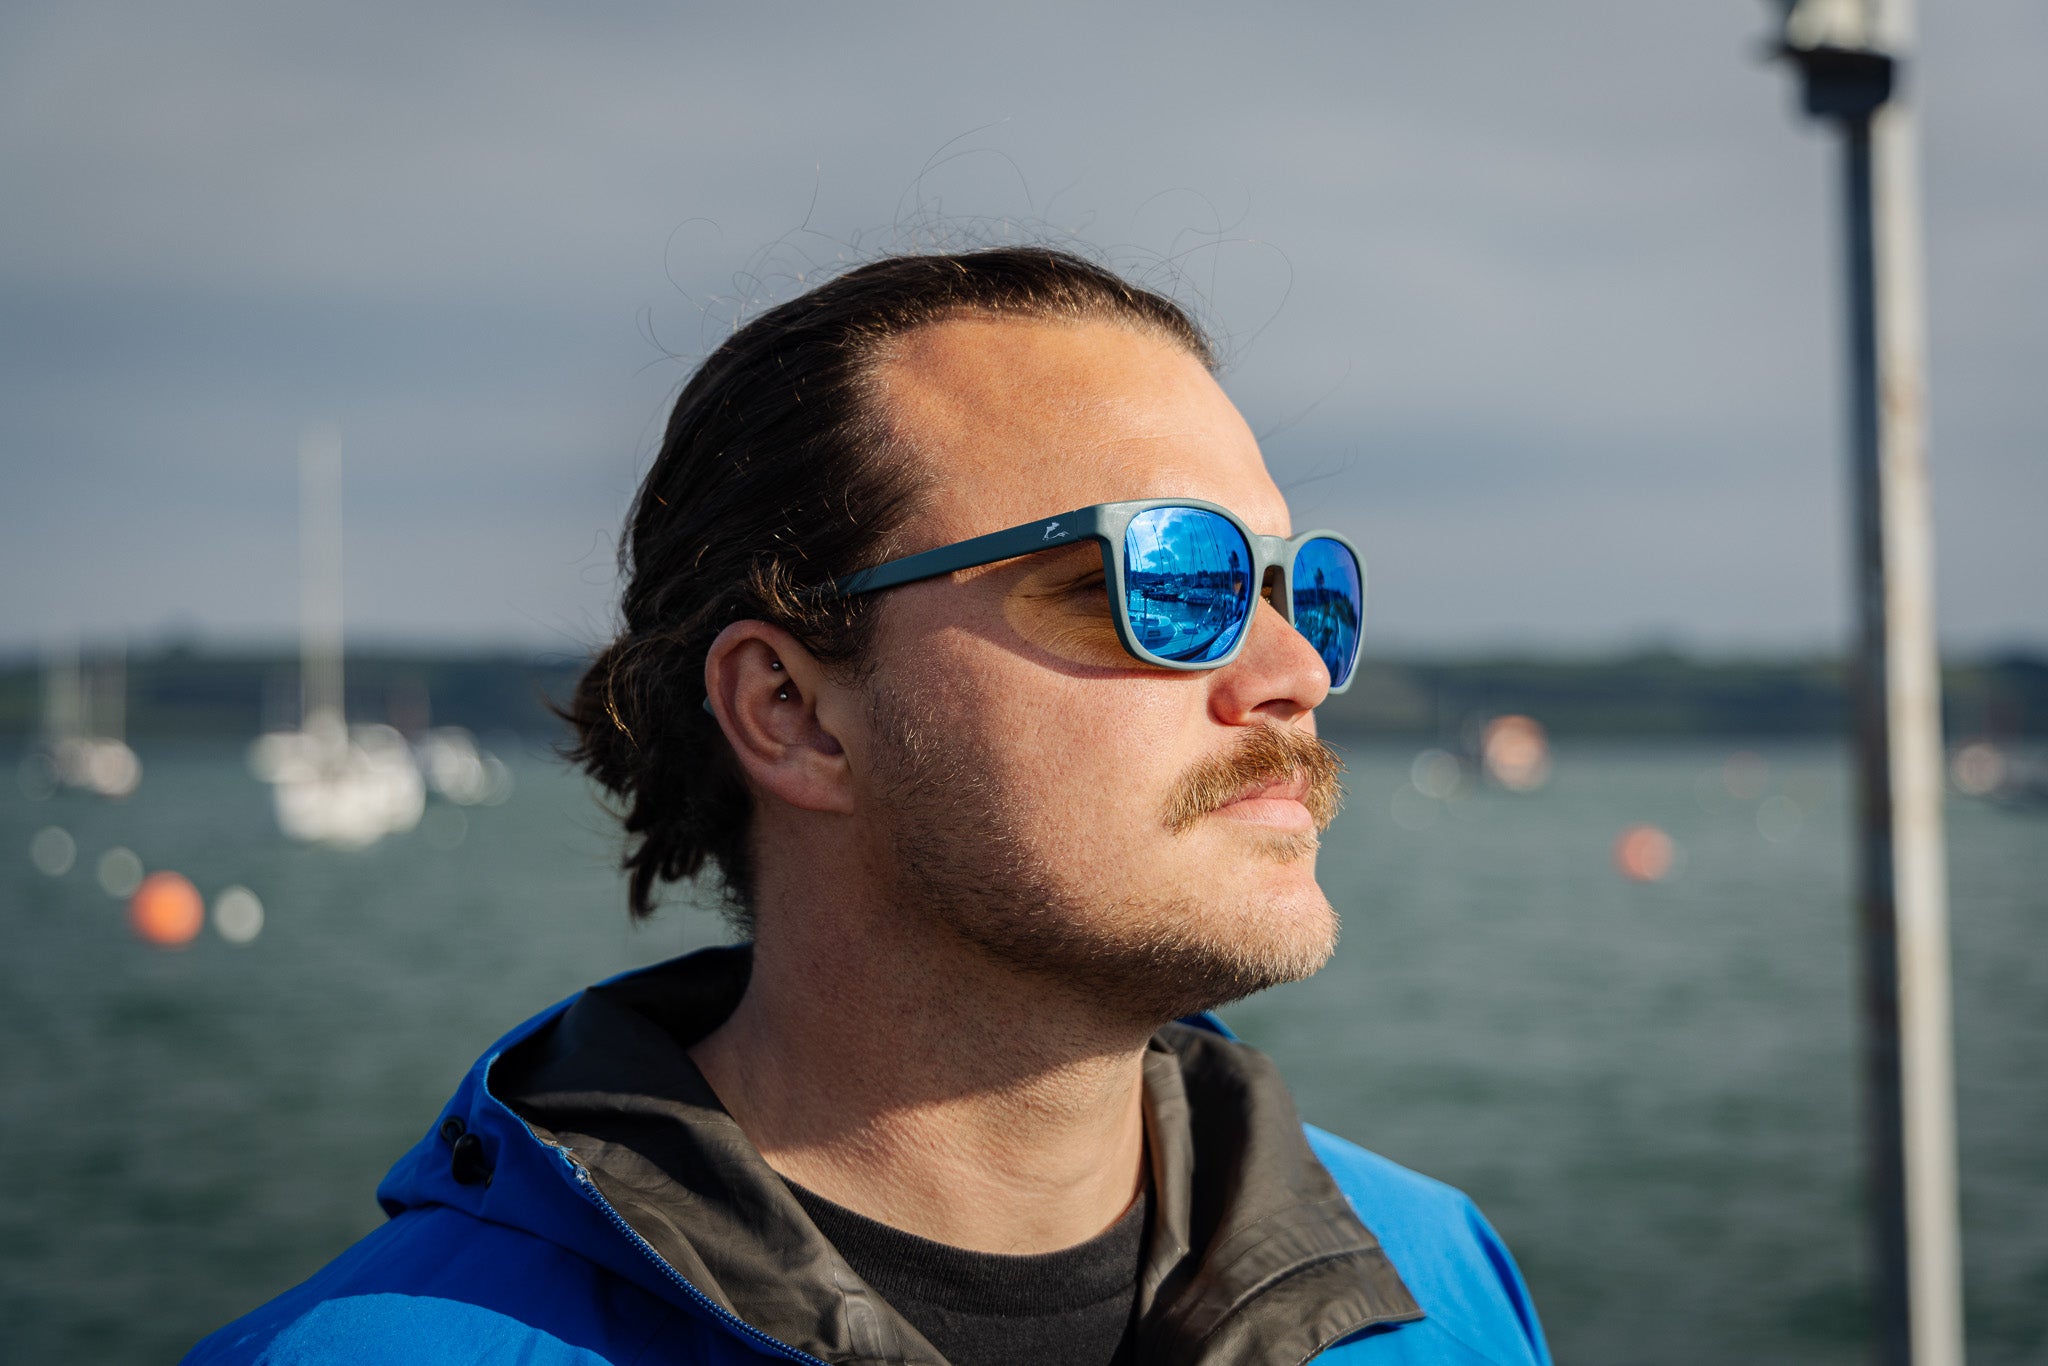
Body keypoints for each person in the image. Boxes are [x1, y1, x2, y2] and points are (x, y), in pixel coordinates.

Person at [187, 248, 1551, 1365]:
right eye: (1164, 579)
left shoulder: (1435, 1281)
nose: (1295, 672)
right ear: (792, 710)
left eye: (1302, 591)